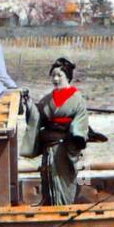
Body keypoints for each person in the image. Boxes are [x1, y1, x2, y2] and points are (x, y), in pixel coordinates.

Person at [21, 57, 90, 206]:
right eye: (53, 75)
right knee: (48, 177)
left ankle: (65, 207)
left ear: (68, 77)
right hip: (50, 148)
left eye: (60, 75)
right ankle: (50, 205)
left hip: (67, 147)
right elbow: (37, 117)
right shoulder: (47, 99)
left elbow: (81, 120)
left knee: (65, 181)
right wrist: (29, 103)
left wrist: (77, 136)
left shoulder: (77, 99)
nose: (56, 79)